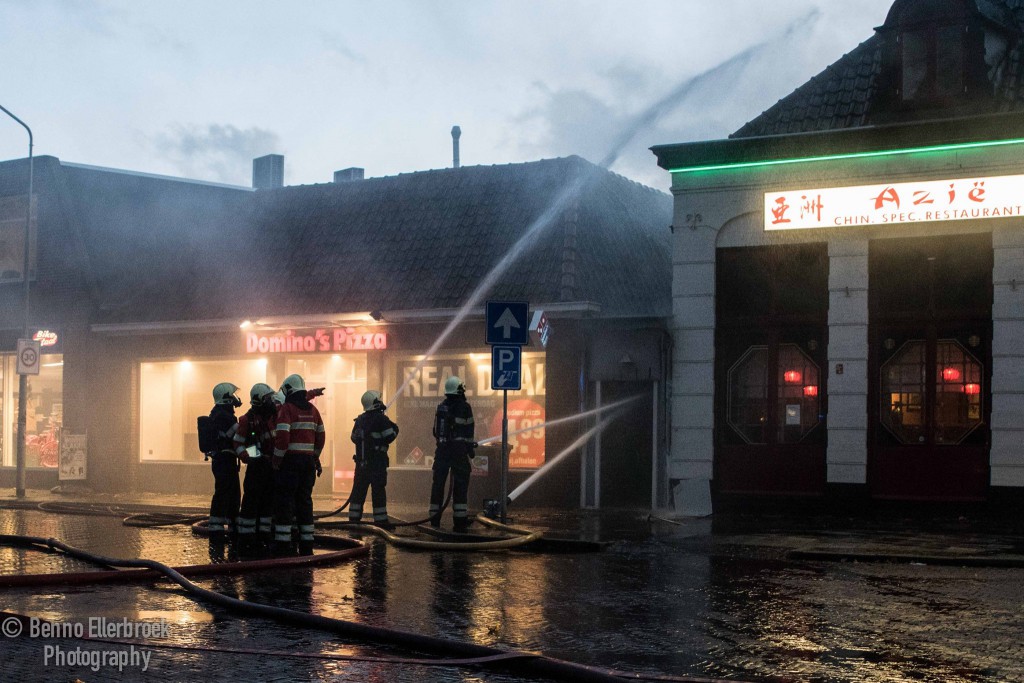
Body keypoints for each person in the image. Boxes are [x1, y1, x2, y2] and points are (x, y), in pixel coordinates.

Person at [271, 374, 325, 556]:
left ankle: (283, 544)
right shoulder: (313, 410)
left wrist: (276, 460)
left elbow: (283, 439)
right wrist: (314, 457)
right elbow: (321, 436)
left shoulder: (287, 409)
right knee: (305, 501)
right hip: (308, 464)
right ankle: (307, 540)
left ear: (288, 390)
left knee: (285, 501)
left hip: (290, 464)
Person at [232, 383, 278, 554]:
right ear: (259, 400)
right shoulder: (247, 420)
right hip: (256, 469)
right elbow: (237, 443)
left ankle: (263, 537)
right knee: (251, 503)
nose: (271, 401)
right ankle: (246, 540)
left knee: (267, 503)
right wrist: (247, 457)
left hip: (270, 468)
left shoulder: (273, 417)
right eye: (268, 398)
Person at [428, 376, 476, 533]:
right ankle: (460, 521)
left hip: (441, 451)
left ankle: (434, 520)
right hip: (458, 452)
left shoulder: (441, 407)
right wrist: (470, 449)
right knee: (460, 485)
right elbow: (469, 431)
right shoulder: (465, 407)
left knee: (438, 485)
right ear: (460, 390)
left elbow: (435, 431)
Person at [349, 390, 399, 527]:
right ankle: (381, 520)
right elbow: (390, 436)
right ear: (376, 403)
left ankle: (353, 519)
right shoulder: (381, 419)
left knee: (358, 491)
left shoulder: (359, 420)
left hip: (361, 464)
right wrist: (394, 426)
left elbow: (353, 438)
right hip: (377, 463)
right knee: (378, 491)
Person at [207, 382, 242, 537]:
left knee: (232, 493)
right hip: (224, 460)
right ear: (226, 398)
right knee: (224, 493)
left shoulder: (219, 413)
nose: (235, 398)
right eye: (232, 395)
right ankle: (217, 529)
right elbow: (238, 435)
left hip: (225, 459)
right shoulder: (223, 416)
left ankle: (231, 525)